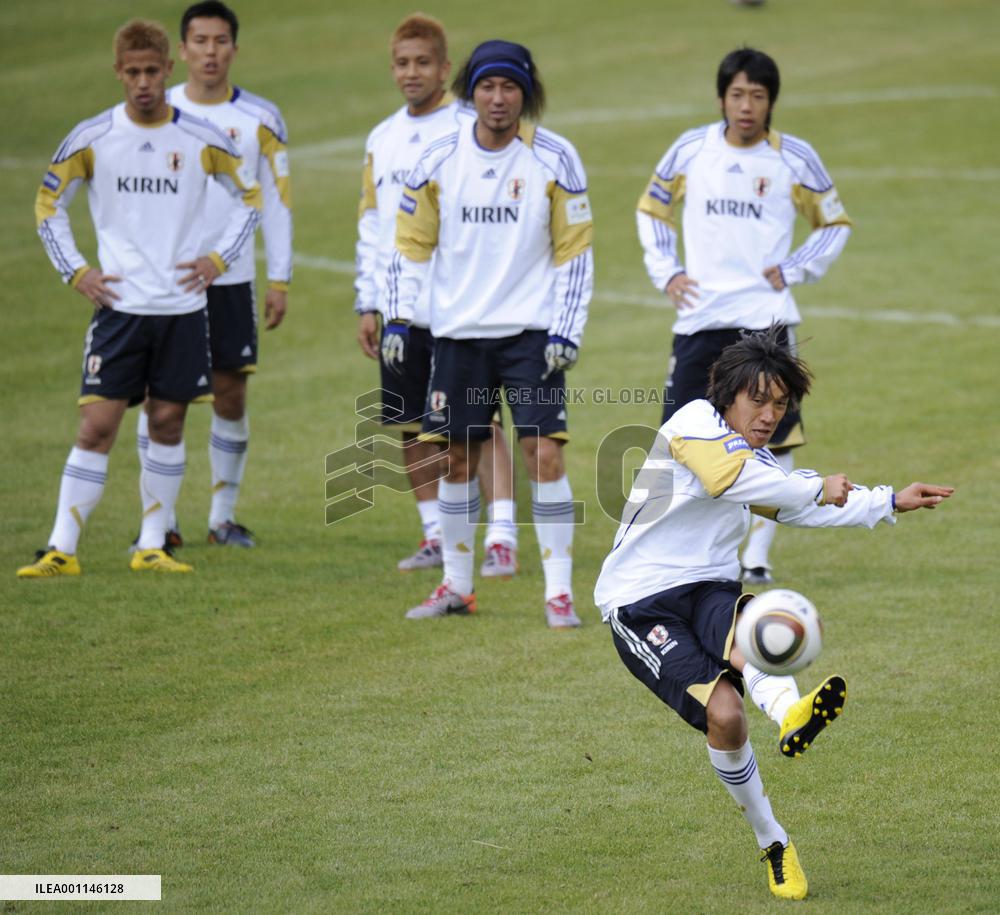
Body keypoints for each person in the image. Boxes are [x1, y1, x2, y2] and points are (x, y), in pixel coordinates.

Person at [593, 327, 953, 899]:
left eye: (780, 404)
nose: (768, 414)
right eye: (757, 400)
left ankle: (790, 715)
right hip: (639, 601)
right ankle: (774, 843)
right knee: (728, 718)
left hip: (708, 586)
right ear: (727, 395)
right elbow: (732, 478)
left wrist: (886, 500)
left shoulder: (752, 458)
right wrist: (816, 486)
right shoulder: (693, 424)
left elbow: (790, 507)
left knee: (762, 629)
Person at [18, 18, 261, 577]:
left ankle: (152, 544)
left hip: (181, 311)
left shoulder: (201, 139)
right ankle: (61, 549)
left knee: (168, 424)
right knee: (96, 426)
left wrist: (217, 259)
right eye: (133, 73)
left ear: (167, 70)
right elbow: (47, 206)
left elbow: (250, 199)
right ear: (118, 74)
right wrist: (76, 272)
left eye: (153, 71)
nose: (144, 82)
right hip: (119, 313)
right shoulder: (92, 138)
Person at [384, 39, 594, 626]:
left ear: (526, 93)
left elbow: (575, 254)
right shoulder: (438, 158)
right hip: (458, 335)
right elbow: (410, 246)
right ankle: (456, 586)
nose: (498, 99)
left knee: (544, 453)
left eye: (510, 88)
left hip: (531, 335)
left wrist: (566, 329)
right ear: (470, 92)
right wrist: (398, 313)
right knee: (455, 458)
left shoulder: (555, 159)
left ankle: (559, 594)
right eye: (487, 87)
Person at [636, 47, 852, 585]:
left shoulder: (793, 158)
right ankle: (663, 545)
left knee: (769, 435)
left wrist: (796, 266)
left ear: (771, 102)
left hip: (766, 320)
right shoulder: (691, 148)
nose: (746, 105)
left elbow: (834, 222)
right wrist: (667, 271)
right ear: (721, 98)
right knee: (678, 434)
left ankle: (755, 557)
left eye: (758, 95)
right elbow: (652, 208)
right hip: (700, 319)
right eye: (737, 94)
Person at [354, 14, 519, 577]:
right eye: (402, 62)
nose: (412, 72)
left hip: (459, 308)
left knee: (480, 424)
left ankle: (500, 535)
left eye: (423, 62)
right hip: (400, 308)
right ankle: (434, 536)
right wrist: (368, 300)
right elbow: (372, 225)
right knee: (408, 422)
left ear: (446, 69)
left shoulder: (473, 127)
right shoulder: (382, 138)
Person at [133, 0, 293, 549]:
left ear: (234, 49)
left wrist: (281, 279)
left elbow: (275, 201)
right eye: (199, 41)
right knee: (159, 399)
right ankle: (161, 522)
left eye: (220, 40)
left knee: (230, 395)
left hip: (231, 281)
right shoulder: (158, 111)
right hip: (163, 282)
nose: (209, 51)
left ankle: (221, 518)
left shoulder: (261, 119)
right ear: (182, 51)